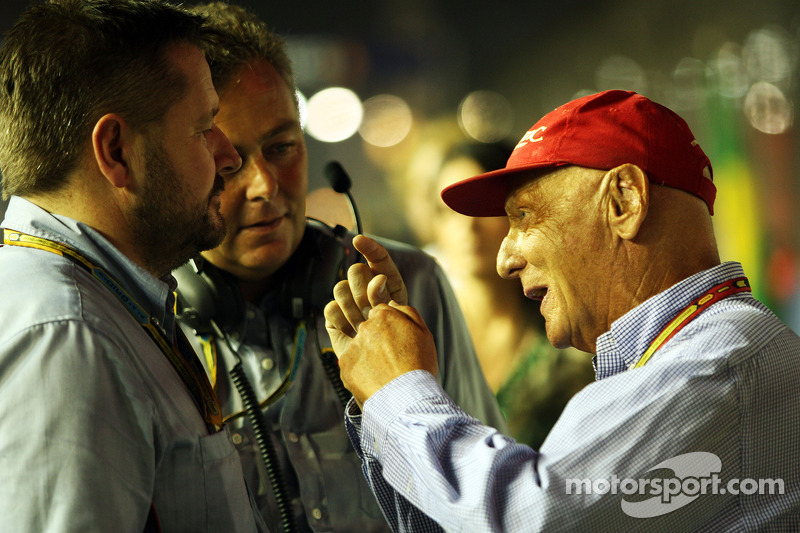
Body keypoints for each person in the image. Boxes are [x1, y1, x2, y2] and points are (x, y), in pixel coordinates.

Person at [325, 90, 800, 531]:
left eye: (525, 218)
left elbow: (531, 517)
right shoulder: (698, 354)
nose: (505, 259)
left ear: (624, 202)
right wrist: (382, 399)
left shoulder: (714, 365)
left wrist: (402, 392)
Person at [173, 3, 507, 532]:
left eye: (283, 147)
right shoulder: (148, 320)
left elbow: (489, 501)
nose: (266, 185)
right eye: (229, 163)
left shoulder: (407, 283)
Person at [0, 1, 265, 531]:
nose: (229, 156)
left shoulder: (89, 307)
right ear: (116, 151)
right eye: (204, 126)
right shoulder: (68, 337)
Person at [427, 141, 594, 448]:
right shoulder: (428, 331)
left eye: (482, 208)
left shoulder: (565, 337)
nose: (468, 226)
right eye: (450, 211)